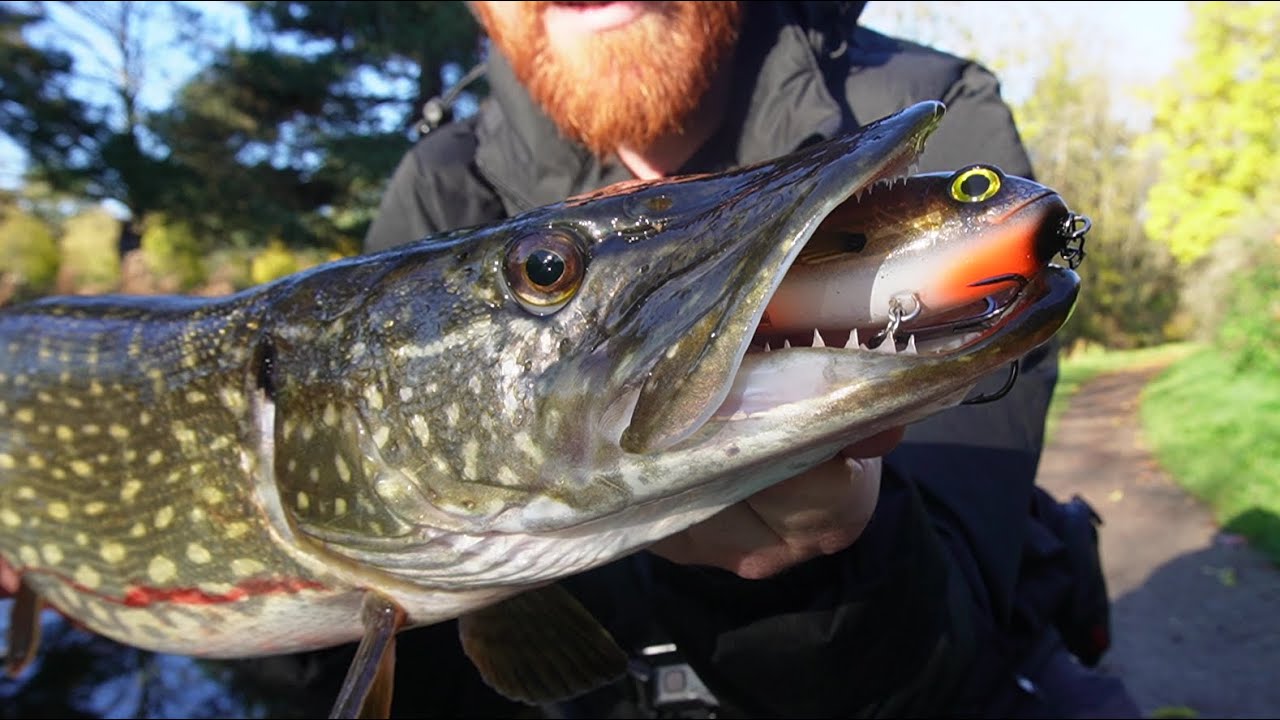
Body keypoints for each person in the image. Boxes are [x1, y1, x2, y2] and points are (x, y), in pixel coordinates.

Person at [362, 1, 1140, 718]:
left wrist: (830, 575)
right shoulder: (438, 191)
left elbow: (955, 636)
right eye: (544, 275)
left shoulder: (932, 97)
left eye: (548, 272)